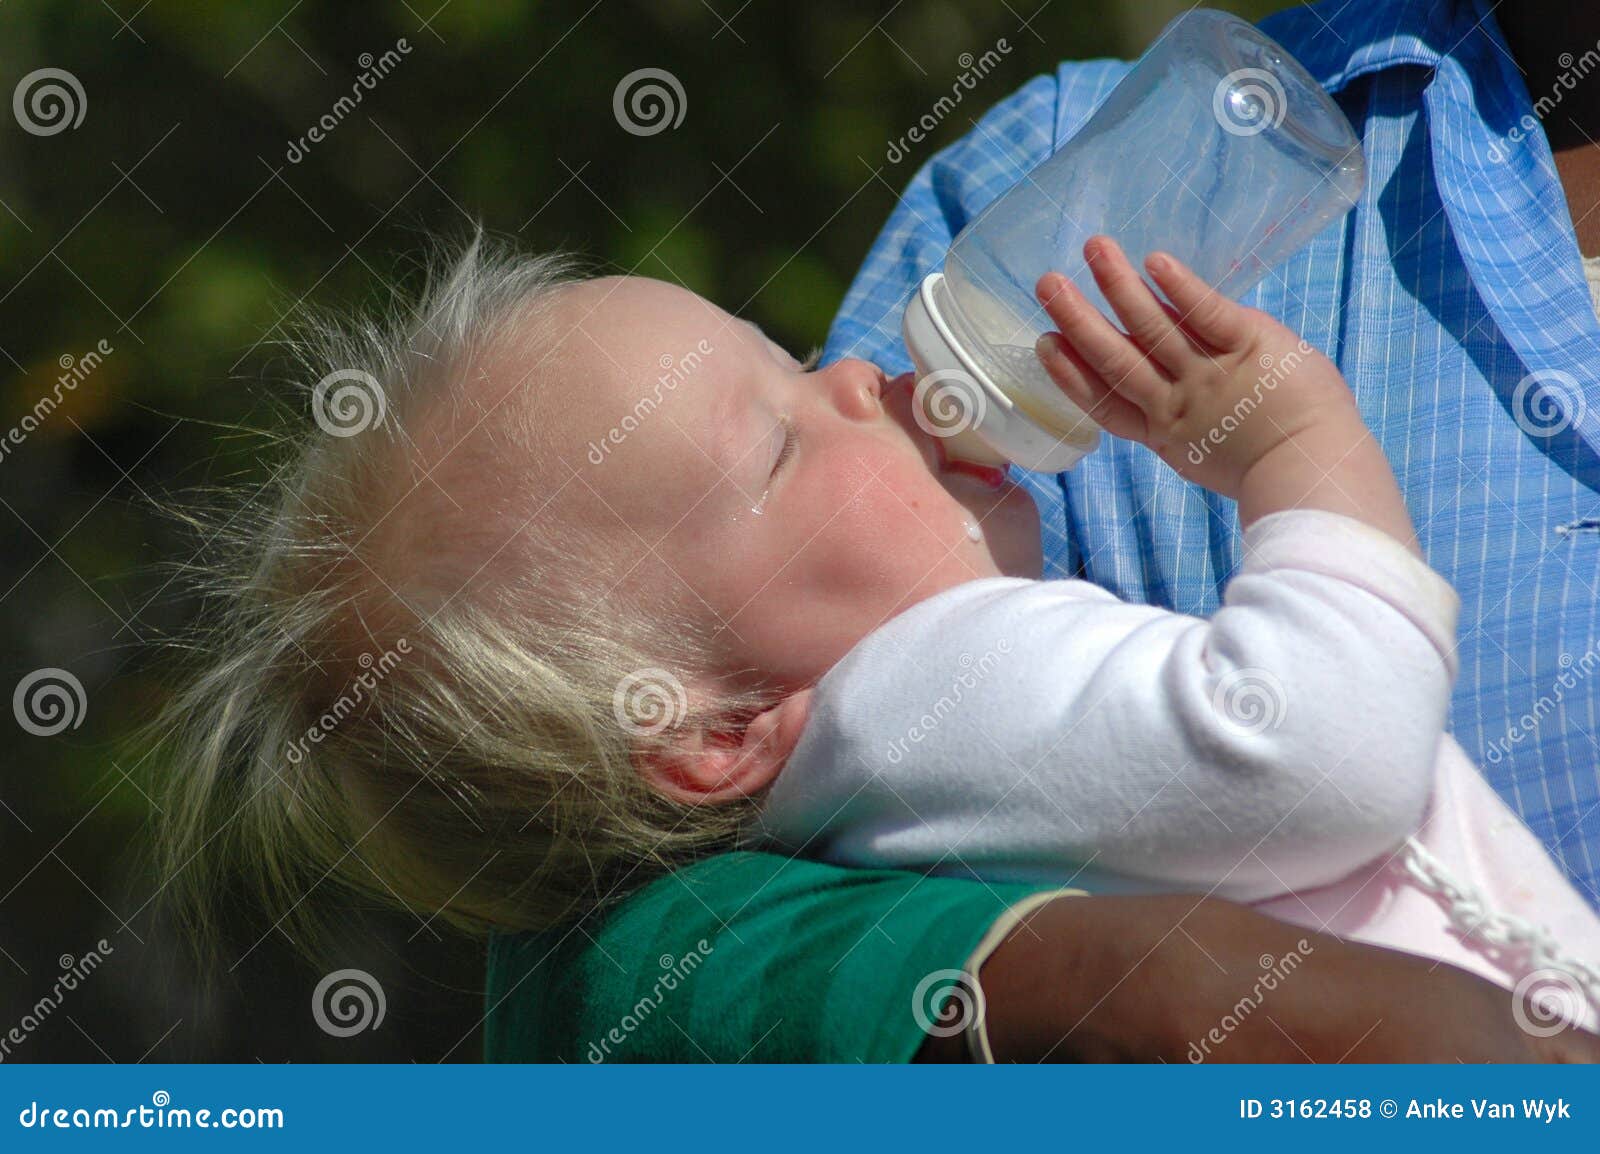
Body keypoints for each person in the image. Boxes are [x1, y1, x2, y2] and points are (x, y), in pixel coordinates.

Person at [487, 0, 1600, 1061]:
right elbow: (1330, 745)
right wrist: (1290, 448)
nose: (850, 372)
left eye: (792, 360)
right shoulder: (917, 686)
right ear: (717, 733)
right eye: (778, 442)